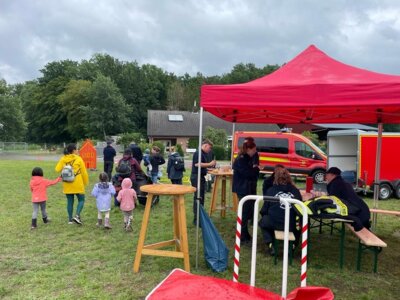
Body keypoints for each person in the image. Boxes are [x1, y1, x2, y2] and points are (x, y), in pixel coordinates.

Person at [259, 166, 302, 255]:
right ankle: (293, 246)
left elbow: (264, 210)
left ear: (275, 178)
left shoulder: (270, 190)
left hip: (274, 223)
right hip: (291, 224)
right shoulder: (296, 191)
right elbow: (300, 209)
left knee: (263, 222)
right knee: (300, 225)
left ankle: (270, 244)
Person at [325, 167, 371, 231]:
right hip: (362, 209)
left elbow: (333, 199)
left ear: (333, 175)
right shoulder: (342, 182)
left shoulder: (335, 184)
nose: (326, 176)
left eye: (327, 175)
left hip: (356, 210)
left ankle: (366, 234)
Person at [232, 140, 260, 243]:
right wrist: (256, 169)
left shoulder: (247, 158)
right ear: (248, 149)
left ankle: (244, 234)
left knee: (247, 211)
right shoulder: (241, 159)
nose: (255, 151)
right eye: (254, 150)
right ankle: (242, 236)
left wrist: (255, 169)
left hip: (247, 187)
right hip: (243, 188)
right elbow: (248, 173)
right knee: (244, 212)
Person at [55, 143, 89, 225]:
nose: (78, 150)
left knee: (70, 201)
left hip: (67, 183)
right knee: (81, 200)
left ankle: (70, 220)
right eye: (77, 149)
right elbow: (84, 172)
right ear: (73, 150)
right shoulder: (79, 159)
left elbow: (57, 169)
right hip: (77, 182)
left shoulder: (63, 159)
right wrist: (85, 182)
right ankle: (77, 215)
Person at [190, 139, 216, 225]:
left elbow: (201, 166)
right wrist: (209, 164)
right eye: (209, 147)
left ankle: (200, 217)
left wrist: (208, 168)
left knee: (201, 197)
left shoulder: (202, 153)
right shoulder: (198, 153)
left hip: (200, 177)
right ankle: (196, 219)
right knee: (198, 198)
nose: (210, 150)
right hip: (196, 177)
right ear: (205, 145)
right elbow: (197, 164)